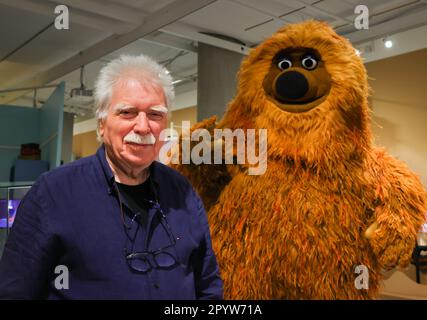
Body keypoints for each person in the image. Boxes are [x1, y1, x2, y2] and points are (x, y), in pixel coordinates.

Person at [0, 55, 223, 299]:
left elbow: (208, 285)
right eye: (127, 112)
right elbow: (15, 291)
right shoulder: (54, 193)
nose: (143, 127)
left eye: (155, 114)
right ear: (101, 125)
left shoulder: (182, 191)